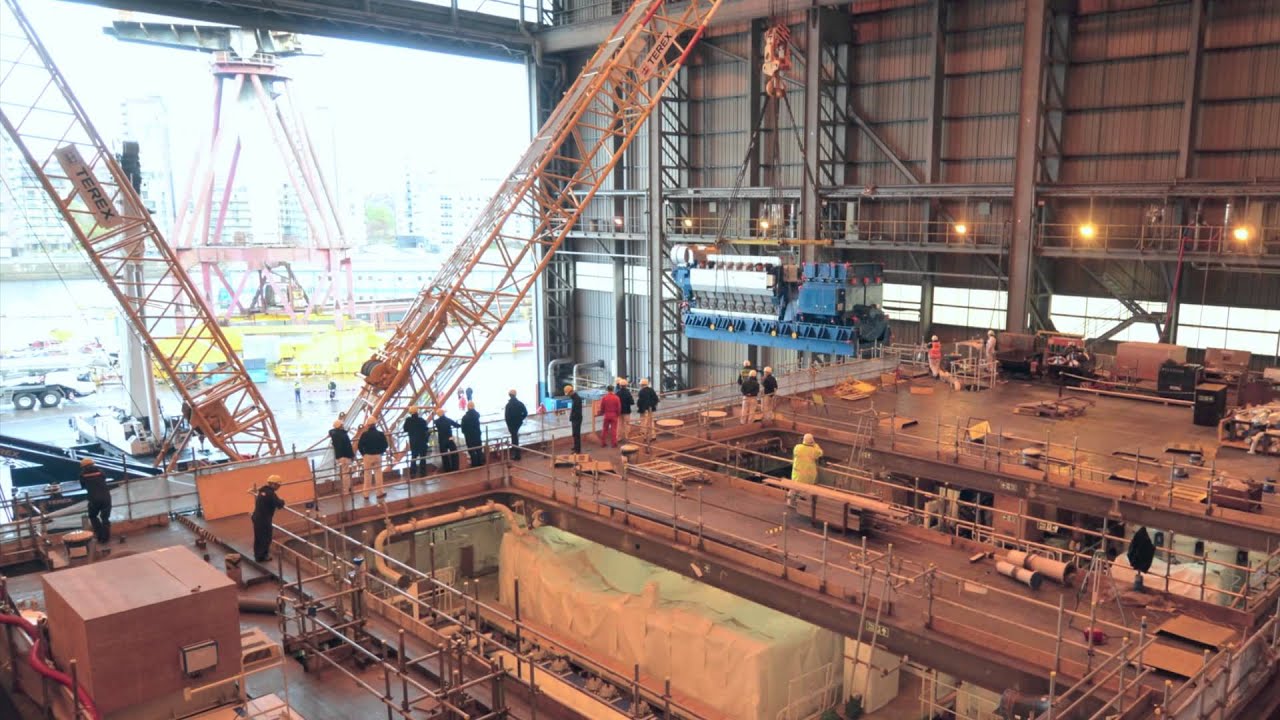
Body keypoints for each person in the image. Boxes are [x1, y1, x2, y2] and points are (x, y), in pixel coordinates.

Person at [251, 475, 285, 562]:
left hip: (257, 517)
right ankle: (262, 556)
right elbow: (279, 504)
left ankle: (257, 555)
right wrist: (283, 501)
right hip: (264, 519)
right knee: (266, 537)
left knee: (258, 537)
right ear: (273, 484)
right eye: (278, 485)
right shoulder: (270, 493)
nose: (278, 487)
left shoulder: (262, 491)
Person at [78, 458, 111, 544]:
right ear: (93, 464)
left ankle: (99, 536)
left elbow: (83, 485)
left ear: (83, 467)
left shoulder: (82, 474)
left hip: (94, 498)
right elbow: (104, 478)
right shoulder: (100, 471)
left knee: (93, 516)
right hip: (106, 497)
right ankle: (106, 538)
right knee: (105, 518)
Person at [789, 434, 824, 508]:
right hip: (808, 476)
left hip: (797, 474)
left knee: (794, 489)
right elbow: (820, 453)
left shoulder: (797, 447)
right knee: (805, 492)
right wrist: (815, 444)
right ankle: (803, 506)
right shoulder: (813, 450)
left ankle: (791, 503)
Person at [357, 422, 389, 499]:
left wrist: (363, 454)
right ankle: (379, 493)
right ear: (375, 425)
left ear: (368, 425)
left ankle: (366, 494)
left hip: (368, 456)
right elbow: (385, 445)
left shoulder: (365, 434)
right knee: (378, 474)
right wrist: (381, 452)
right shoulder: (380, 434)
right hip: (377, 456)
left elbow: (359, 445)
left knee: (367, 475)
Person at [328, 420, 355, 494]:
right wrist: (352, 455)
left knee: (343, 473)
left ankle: (346, 489)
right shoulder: (344, 435)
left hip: (339, 456)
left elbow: (331, 431)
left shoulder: (334, 434)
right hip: (346, 456)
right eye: (342, 425)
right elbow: (348, 446)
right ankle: (347, 490)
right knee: (346, 474)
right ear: (340, 426)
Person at [403, 406, 431, 478]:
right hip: (422, 441)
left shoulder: (408, 420)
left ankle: (412, 473)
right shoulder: (421, 420)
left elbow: (405, 429)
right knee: (422, 457)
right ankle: (423, 473)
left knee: (413, 456)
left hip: (413, 441)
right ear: (417, 412)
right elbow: (426, 429)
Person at [505, 389, 528, 459]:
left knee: (514, 438)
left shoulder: (508, 405)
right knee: (515, 438)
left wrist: (508, 424)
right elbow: (525, 413)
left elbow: (507, 416)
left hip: (511, 424)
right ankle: (516, 454)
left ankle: (517, 455)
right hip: (518, 423)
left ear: (509, 395)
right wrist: (520, 419)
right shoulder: (520, 403)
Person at [461, 401, 484, 466]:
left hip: (469, 435)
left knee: (471, 450)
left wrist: (464, 432)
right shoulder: (477, 415)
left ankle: (474, 463)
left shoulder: (465, 417)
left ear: (467, 407)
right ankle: (480, 462)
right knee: (479, 448)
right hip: (477, 434)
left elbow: (463, 428)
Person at [636, 378, 659, 442]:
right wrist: (651, 405)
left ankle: (645, 437)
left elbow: (640, 402)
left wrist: (639, 408)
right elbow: (656, 399)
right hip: (650, 409)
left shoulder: (641, 391)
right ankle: (653, 436)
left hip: (644, 410)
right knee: (651, 422)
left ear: (642, 385)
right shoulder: (651, 390)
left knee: (644, 423)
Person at [566, 384, 583, 453]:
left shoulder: (577, 399)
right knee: (575, 434)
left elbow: (576, 411)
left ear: (570, 392)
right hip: (575, 419)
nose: (568, 395)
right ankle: (576, 447)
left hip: (576, 419)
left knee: (576, 434)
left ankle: (577, 450)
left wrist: (572, 417)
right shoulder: (574, 398)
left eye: (568, 394)